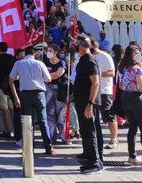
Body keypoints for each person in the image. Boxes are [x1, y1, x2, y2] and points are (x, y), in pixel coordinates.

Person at [9, 45, 54, 154]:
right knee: (43, 121)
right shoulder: (40, 64)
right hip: (39, 94)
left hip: (25, 95)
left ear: (25, 54)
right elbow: (48, 79)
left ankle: (30, 146)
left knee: (29, 123)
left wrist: (16, 97)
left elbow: (11, 79)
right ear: (34, 54)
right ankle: (48, 146)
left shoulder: (18, 63)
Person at [72, 35, 103, 174]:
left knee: (90, 130)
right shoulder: (83, 60)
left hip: (88, 102)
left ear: (80, 45)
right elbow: (81, 82)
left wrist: (90, 103)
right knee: (84, 129)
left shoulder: (90, 60)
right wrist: (72, 96)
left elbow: (95, 83)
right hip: (81, 100)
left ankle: (95, 161)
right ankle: (87, 154)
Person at [118, 45, 142, 164]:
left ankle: (132, 155)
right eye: (136, 53)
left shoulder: (123, 68)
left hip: (125, 97)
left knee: (132, 127)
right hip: (137, 98)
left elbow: (121, 85)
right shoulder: (136, 69)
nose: (139, 55)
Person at [91, 40, 118, 150]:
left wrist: (96, 74)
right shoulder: (88, 57)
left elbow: (112, 73)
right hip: (92, 90)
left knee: (109, 114)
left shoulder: (105, 56)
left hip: (104, 90)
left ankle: (114, 139)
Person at [43, 44, 66, 144]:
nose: (48, 52)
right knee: (49, 113)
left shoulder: (61, 62)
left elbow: (58, 74)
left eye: (50, 50)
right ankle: (52, 136)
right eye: (48, 50)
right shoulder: (45, 63)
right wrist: (48, 76)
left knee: (61, 113)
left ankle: (64, 136)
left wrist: (47, 76)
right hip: (47, 90)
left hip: (59, 90)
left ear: (55, 52)